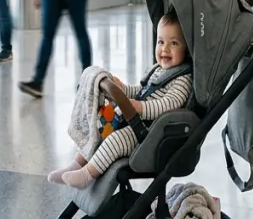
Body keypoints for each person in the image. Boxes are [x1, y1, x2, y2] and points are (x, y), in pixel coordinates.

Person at [49, 10, 192, 188]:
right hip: (136, 120)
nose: (165, 49)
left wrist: (140, 107)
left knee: (115, 140)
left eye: (174, 43)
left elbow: (169, 104)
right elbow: (142, 90)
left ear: (186, 49)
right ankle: (75, 164)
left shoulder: (183, 79)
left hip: (149, 133)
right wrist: (123, 89)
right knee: (99, 128)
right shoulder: (159, 69)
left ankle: (86, 176)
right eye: (161, 41)